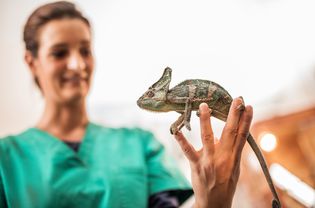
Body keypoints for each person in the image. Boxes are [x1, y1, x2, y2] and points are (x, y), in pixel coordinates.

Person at [0, 1, 253, 208]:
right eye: (59, 53)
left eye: (85, 50)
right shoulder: (6, 158)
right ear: (31, 61)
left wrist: (210, 203)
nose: (77, 65)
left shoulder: (141, 144)